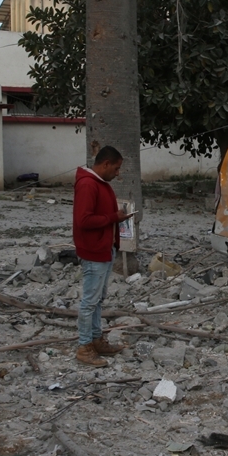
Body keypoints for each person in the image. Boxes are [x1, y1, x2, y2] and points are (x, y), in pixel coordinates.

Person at [73, 146, 135, 367]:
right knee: (90, 301)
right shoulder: (88, 185)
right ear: (106, 164)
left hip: (104, 249)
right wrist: (113, 218)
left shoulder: (100, 184)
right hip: (94, 251)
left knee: (98, 298)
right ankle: (84, 346)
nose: (117, 173)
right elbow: (83, 220)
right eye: (116, 168)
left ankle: (96, 339)